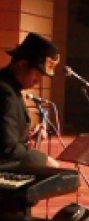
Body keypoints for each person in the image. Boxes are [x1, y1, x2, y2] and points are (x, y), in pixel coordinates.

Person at [0, 32, 60, 167]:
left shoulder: (11, 89)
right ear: (22, 64)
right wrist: (42, 160)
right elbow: (6, 148)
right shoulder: (4, 92)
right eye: (37, 74)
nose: (38, 81)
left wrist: (29, 136)